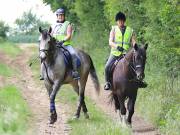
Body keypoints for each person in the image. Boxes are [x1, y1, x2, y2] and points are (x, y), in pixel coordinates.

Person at [104, 11, 147, 90]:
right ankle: (107, 83)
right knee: (107, 66)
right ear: (117, 21)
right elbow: (110, 42)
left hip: (125, 54)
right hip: (115, 53)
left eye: (122, 21)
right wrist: (117, 46)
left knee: (137, 64)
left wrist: (136, 47)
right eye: (119, 21)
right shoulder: (113, 29)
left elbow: (133, 41)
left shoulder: (130, 30)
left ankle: (139, 81)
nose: (121, 22)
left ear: (124, 21)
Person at [47, 8, 80, 80]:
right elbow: (50, 35)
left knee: (73, 54)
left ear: (64, 16)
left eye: (62, 15)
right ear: (57, 16)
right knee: (45, 54)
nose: (60, 17)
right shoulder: (53, 25)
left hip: (65, 45)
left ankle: (75, 71)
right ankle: (44, 72)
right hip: (55, 45)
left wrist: (62, 41)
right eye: (59, 15)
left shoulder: (68, 24)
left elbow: (68, 35)